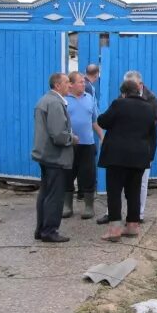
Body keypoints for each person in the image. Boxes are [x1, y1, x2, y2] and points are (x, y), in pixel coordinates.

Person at [97, 70, 157, 224]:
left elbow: (153, 127)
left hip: (138, 149)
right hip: (131, 150)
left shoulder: (152, 100)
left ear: (140, 84)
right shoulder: (121, 98)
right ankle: (114, 215)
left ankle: (138, 215)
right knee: (120, 187)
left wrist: (150, 153)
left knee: (137, 185)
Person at [31, 73, 77, 243]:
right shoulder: (55, 103)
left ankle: (41, 229)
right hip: (55, 157)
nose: (70, 85)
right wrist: (73, 139)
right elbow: (58, 135)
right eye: (67, 82)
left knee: (45, 193)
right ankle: (50, 231)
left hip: (45, 155)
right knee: (55, 195)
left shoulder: (44, 100)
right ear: (57, 85)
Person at [63, 71, 104, 219]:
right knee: (68, 174)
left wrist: (102, 136)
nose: (84, 84)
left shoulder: (89, 99)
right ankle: (67, 206)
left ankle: (88, 206)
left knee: (88, 175)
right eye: (80, 81)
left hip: (88, 144)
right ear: (71, 84)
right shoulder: (64, 100)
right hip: (69, 145)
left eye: (84, 81)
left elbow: (94, 121)